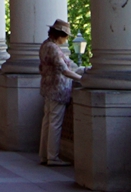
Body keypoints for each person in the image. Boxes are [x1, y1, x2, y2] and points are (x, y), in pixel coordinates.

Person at [38, 19, 85, 166]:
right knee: (55, 123)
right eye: (66, 36)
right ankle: (52, 157)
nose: (67, 39)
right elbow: (64, 70)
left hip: (47, 87)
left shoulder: (45, 45)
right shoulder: (53, 48)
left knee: (48, 122)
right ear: (60, 35)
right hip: (58, 89)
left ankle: (44, 155)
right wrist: (82, 79)